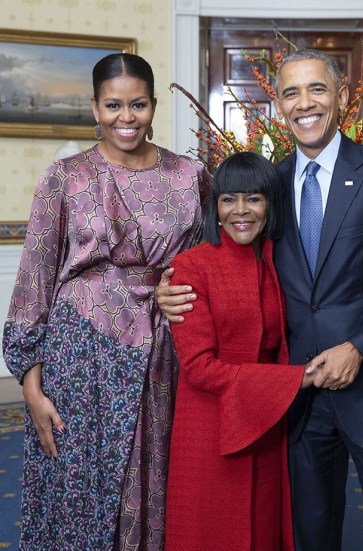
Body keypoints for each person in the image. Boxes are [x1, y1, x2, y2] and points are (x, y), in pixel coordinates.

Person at [157, 49, 363, 551]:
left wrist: (359, 347)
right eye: (290, 92)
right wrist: (175, 288)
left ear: (341, 98)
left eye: (316, 89)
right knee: (309, 536)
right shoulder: (269, 186)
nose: (304, 103)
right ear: (279, 106)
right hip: (298, 399)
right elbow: (240, 263)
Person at [2, 53, 210, 550]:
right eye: (113, 105)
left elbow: (206, 267)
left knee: (157, 473)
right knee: (76, 482)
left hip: (164, 349)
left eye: (137, 104)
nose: (126, 117)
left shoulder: (190, 175)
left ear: (154, 107)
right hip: (80, 355)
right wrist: (31, 389)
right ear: (94, 108)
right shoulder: (65, 177)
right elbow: (33, 282)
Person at [165, 151, 314, 551]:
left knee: (263, 529)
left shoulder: (278, 260)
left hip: (267, 418)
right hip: (211, 422)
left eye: (254, 198)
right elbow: (199, 368)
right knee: (213, 532)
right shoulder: (191, 266)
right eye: (228, 199)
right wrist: (297, 378)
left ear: (271, 204)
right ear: (215, 207)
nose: (240, 211)